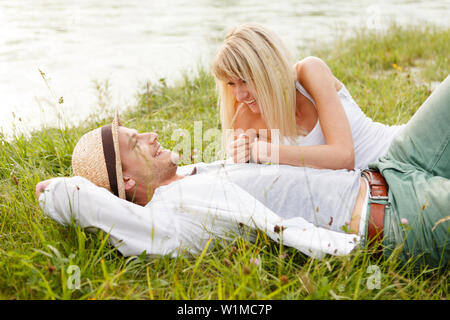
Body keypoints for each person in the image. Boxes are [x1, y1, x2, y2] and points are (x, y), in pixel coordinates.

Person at [36, 76, 450, 269]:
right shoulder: (171, 220)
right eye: (135, 143)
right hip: (398, 215)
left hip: (393, 165)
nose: (151, 135)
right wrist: (57, 193)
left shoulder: (195, 176)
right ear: (127, 183)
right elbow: (84, 201)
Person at [211, 23, 405, 169]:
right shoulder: (246, 117)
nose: (239, 94)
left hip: (402, 148)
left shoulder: (309, 73)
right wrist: (242, 154)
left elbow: (344, 157)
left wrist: (268, 151)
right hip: (382, 187)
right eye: (231, 84)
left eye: (244, 80)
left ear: (267, 71)